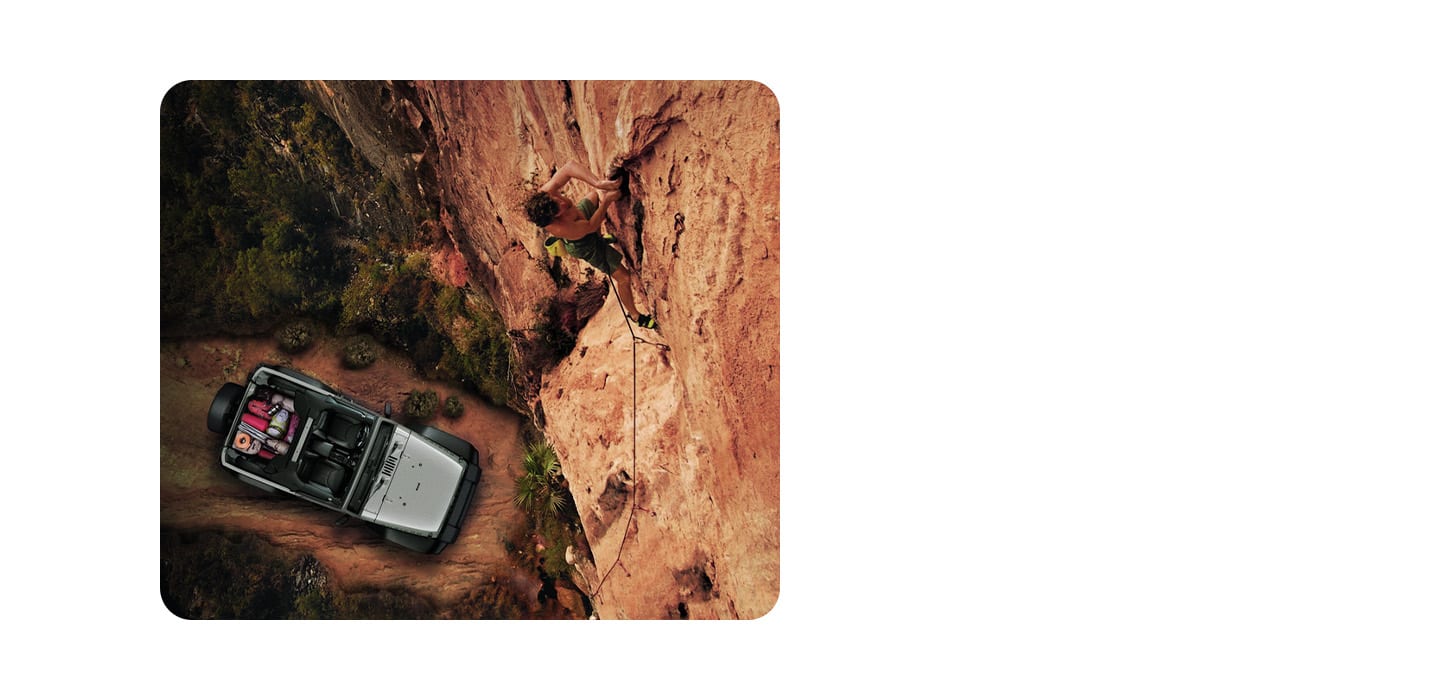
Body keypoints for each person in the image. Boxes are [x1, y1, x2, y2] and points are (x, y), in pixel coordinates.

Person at [523, 161, 657, 329]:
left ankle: (603, 236)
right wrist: (606, 202)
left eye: (557, 199)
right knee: (623, 277)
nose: (564, 203)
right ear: (553, 218)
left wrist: (598, 183)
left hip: (581, 217)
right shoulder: (562, 228)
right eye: (559, 210)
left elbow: (570, 167)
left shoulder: (545, 194)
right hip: (584, 244)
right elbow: (591, 226)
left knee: (597, 191)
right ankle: (636, 316)